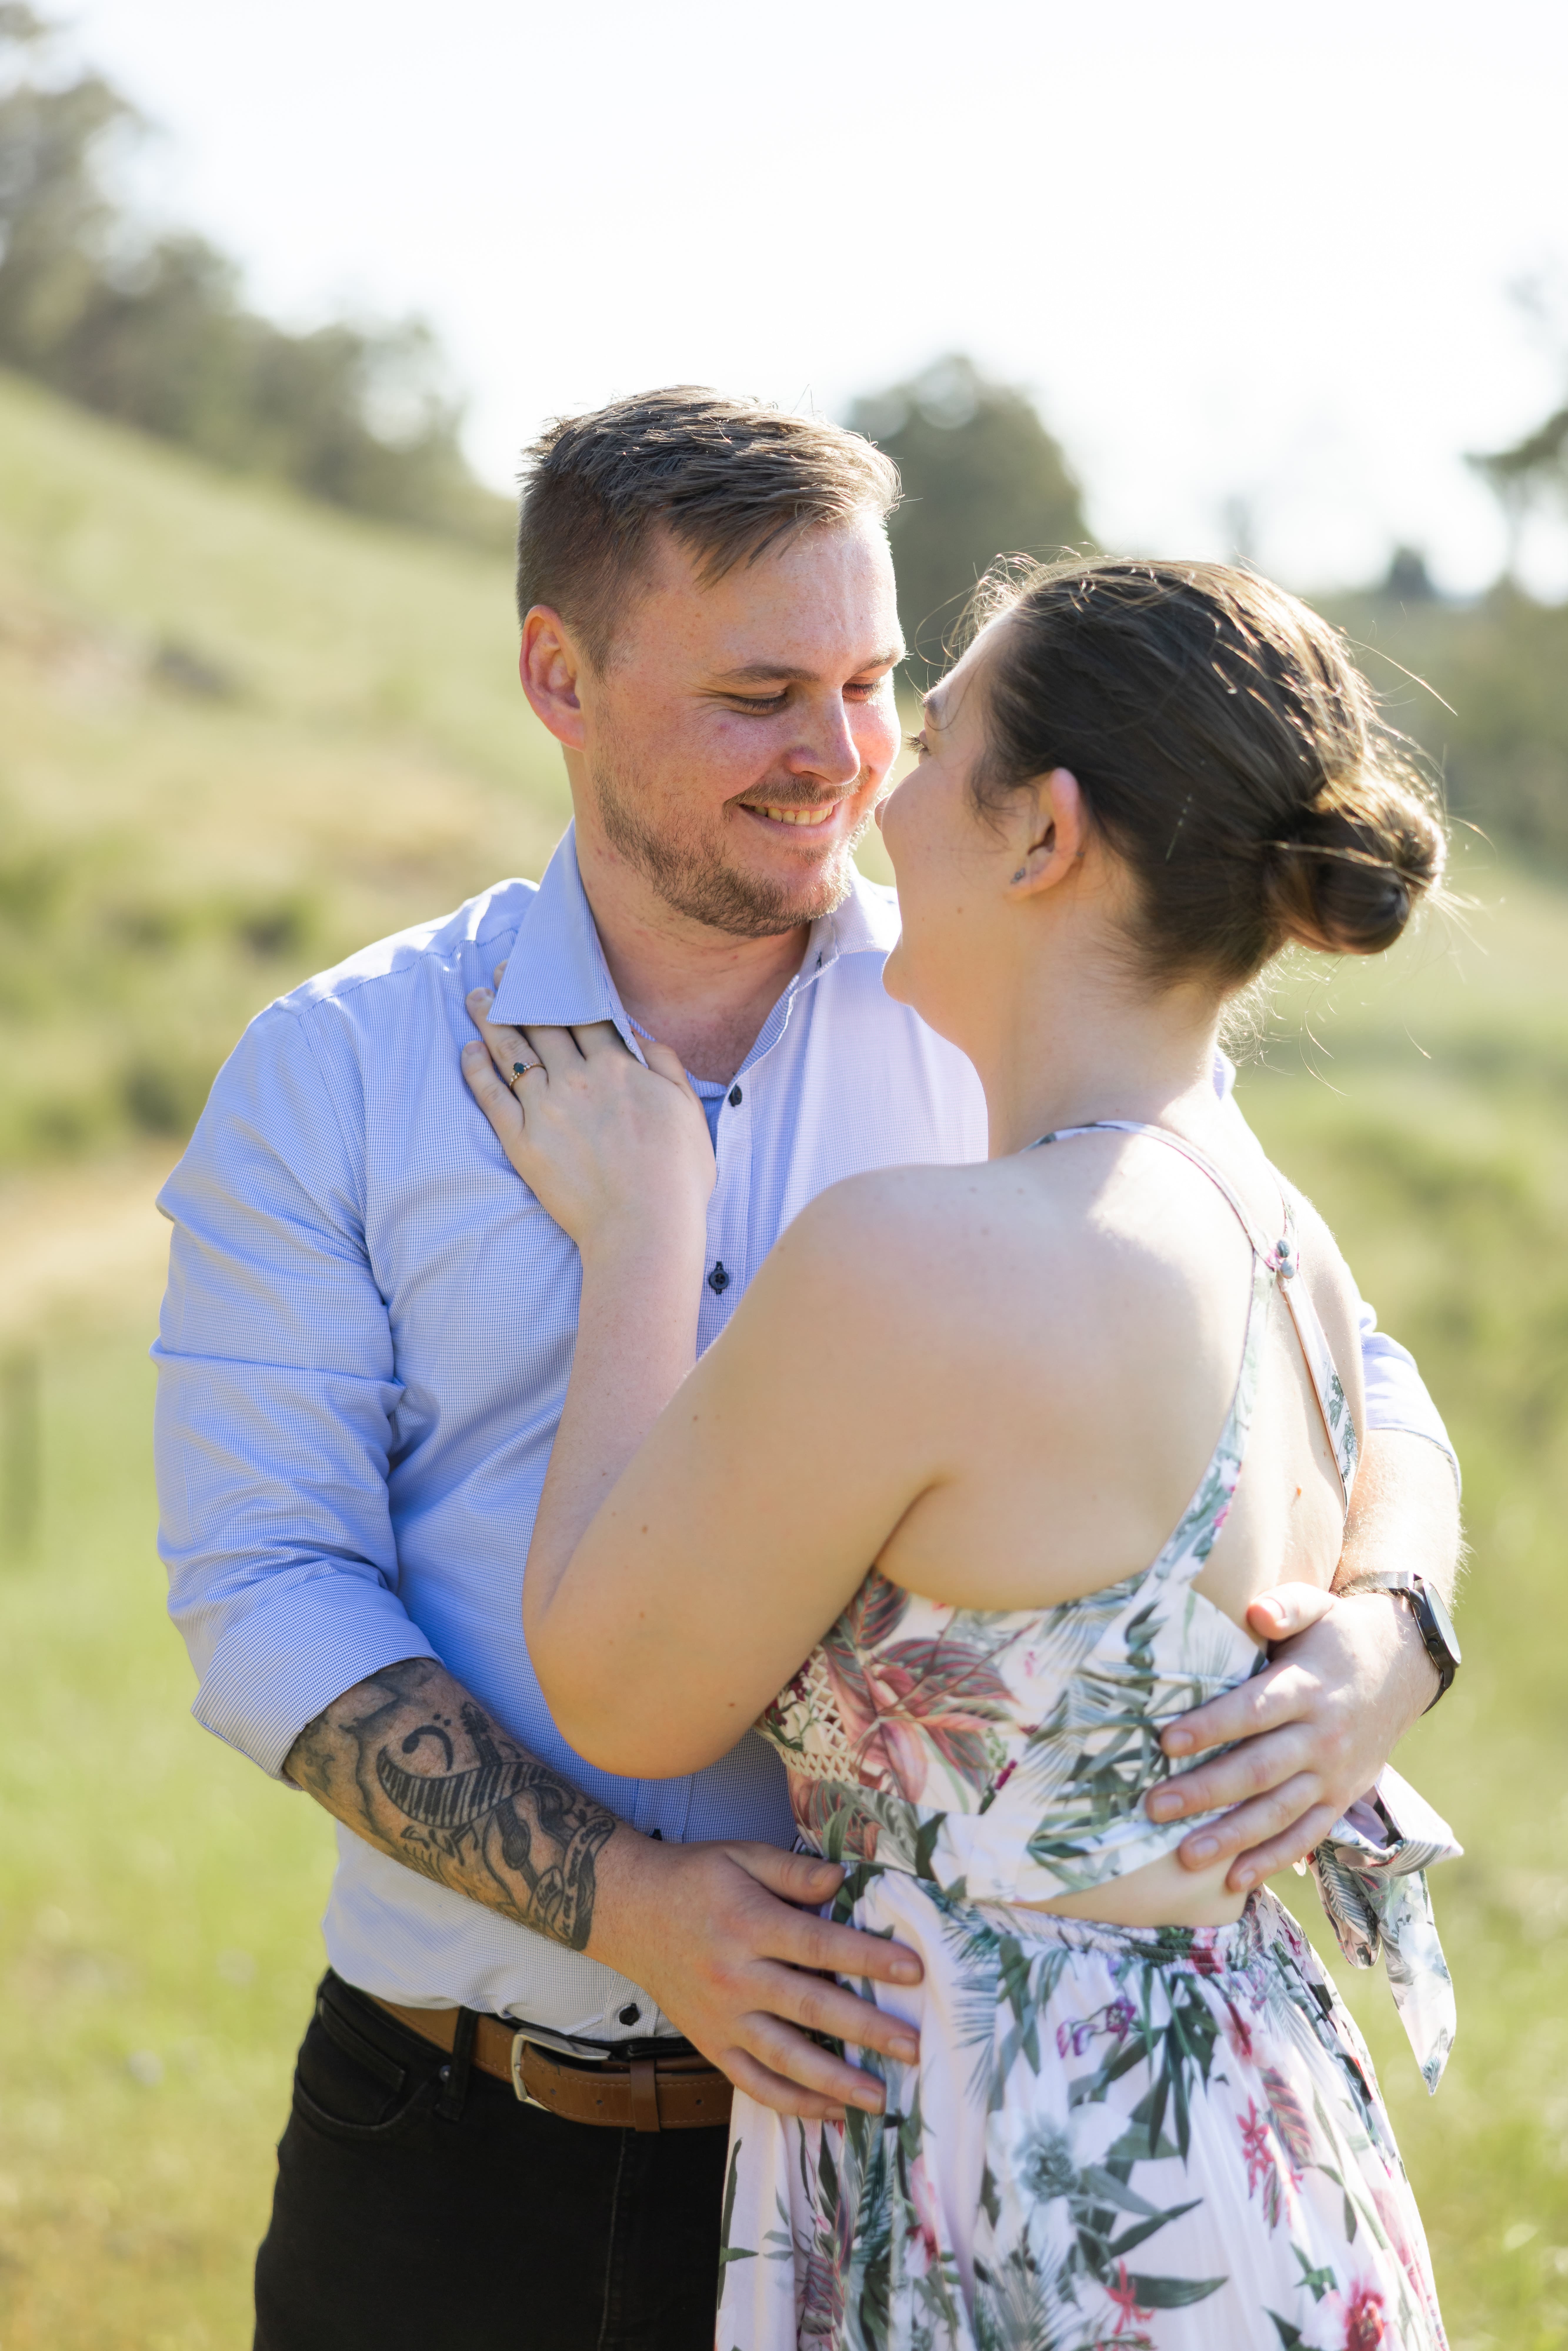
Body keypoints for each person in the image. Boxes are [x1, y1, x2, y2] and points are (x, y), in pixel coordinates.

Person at [151, 392, 1458, 2351]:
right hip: (459, 2127)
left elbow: (1341, 1356)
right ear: (557, 675)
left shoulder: (991, 991)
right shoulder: (338, 1072)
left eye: (874, 686)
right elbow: (263, 1590)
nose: (840, 760)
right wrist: (627, 1907)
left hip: (897, 2137)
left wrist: (1386, 1630)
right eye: (764, 692)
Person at [463, 555, 1457, 2348]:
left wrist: (641, 1235)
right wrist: (1401, 1615)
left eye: (929, 740)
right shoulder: (1271, 1224)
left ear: (1040, 835)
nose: (873, 792)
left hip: (1032, 2195)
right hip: (1250, 2146)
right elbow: (1397, 1423)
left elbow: (618, 1694)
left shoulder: (923, 1260)